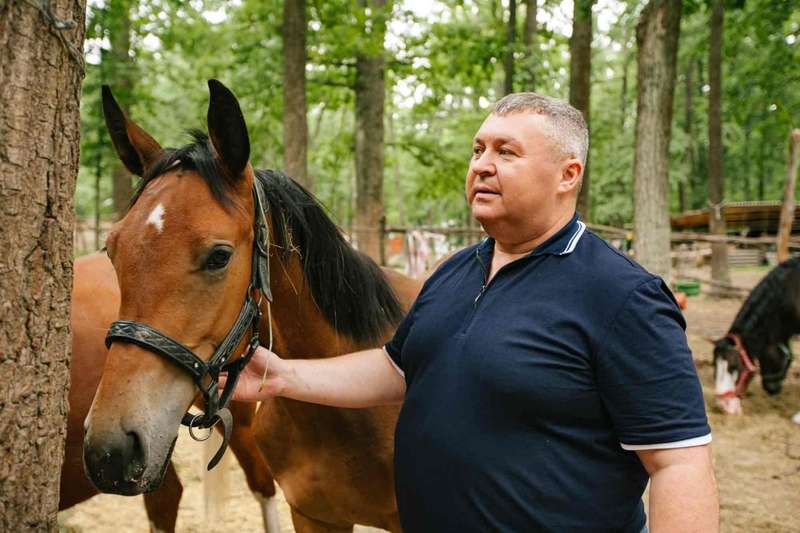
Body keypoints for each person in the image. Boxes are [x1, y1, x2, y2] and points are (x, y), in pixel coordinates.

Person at [223, 93, 719, 532]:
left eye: (506, 152)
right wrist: (281, 376)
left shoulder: (623, 298)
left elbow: (678, 464)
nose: (482, 164)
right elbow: (397, 369)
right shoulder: (454, 272)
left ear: (568, 175)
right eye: (478, 150)